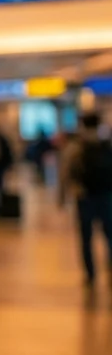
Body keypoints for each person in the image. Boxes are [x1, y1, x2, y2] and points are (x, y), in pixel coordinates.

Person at [61, 113, 112, 286]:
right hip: (106, 195)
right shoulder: (106, 143)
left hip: (85, 197)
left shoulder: (77, 147)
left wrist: (61, 196)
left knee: (86, 237)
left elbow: (66, 171)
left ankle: (90, 274)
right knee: (109, 235)